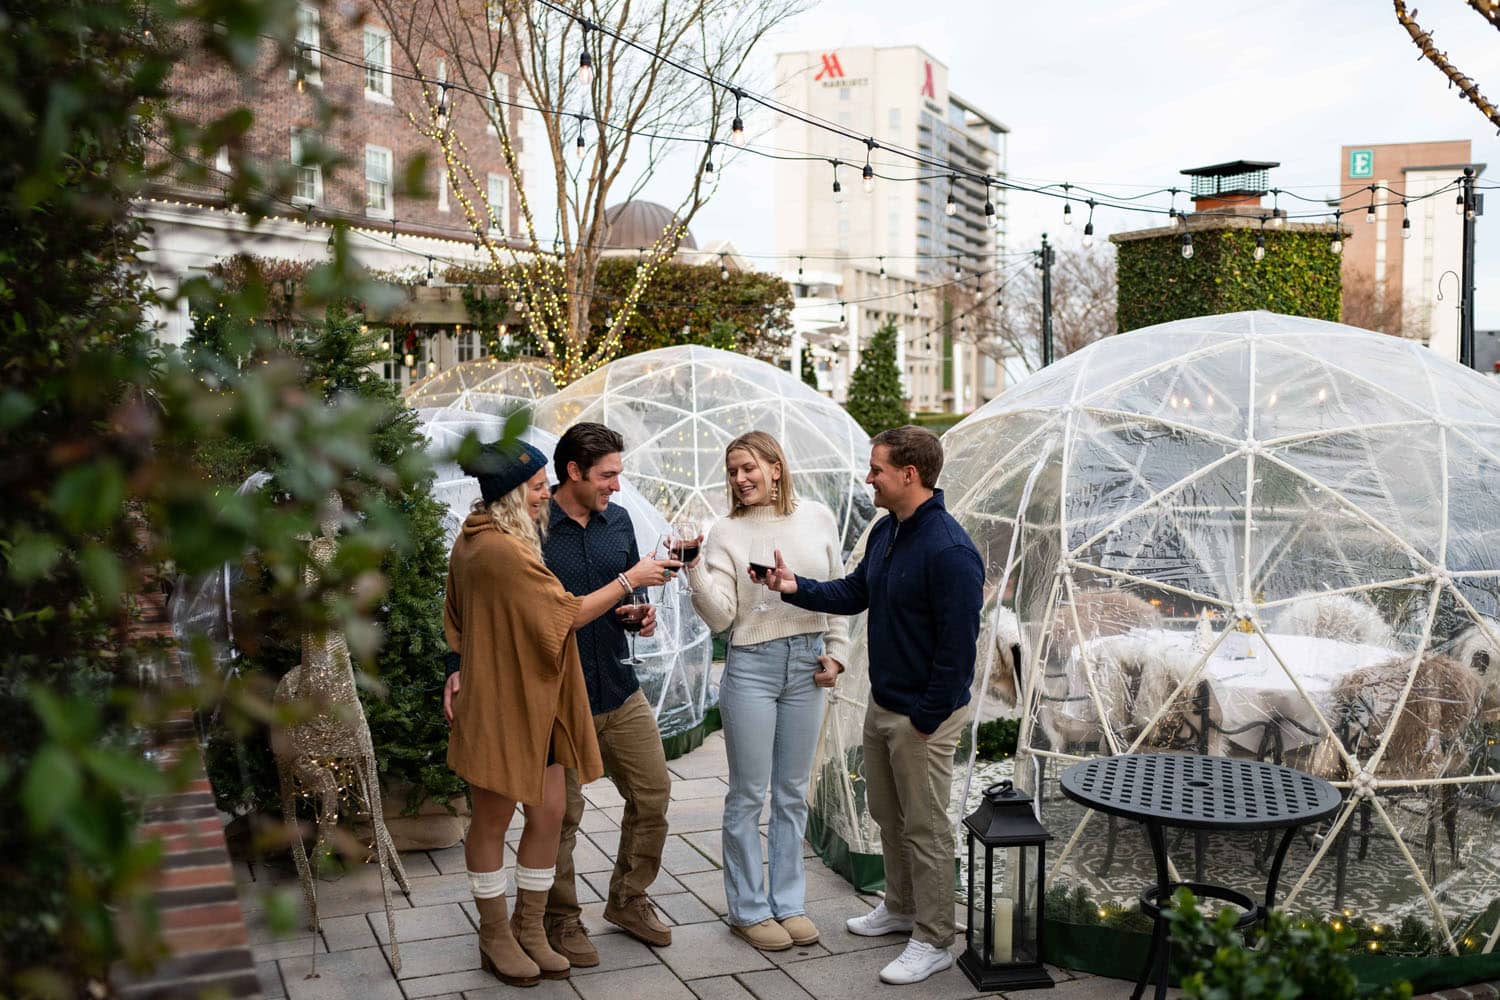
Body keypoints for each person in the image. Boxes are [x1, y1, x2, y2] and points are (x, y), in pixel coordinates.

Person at [444, 423, 681, 965]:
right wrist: (457, 664)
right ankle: (548, 923)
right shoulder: (519, 538)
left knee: (640, 798)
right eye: (607, 475)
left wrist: (636, 610)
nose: (616, 486)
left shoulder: (607, 523)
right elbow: (536, 611)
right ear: (573, 472)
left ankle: (619, 902)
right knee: (548, 816)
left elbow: (616, 598)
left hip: (610, 685)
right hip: (536, 696)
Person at [759, 425, 984, 986]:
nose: (868, 478)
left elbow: (959, 651)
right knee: (888, 816)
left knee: (926, 829)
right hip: (885, 705)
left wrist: (927, 719)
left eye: (877, 469)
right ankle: (902, 907)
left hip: (922, 717)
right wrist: (794, 586)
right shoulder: (889, 531)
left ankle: (934, 938)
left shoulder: (951, 551)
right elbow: (855, 592)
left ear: (909, 475)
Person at [684, 430, 850, 951]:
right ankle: (748, 910)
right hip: (751, 667)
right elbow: (721, 618)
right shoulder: (725, 532)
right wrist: (692, 572)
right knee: (749, 793)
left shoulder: (818, 517)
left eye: (749, 467)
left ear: (776, 467)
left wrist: (838, 653)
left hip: (807, 665)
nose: (740, 478)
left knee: (792, 792)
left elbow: (840, 589)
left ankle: (789, 903)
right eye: (732, 470)